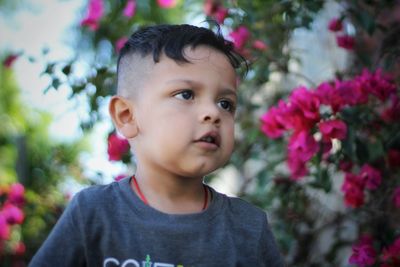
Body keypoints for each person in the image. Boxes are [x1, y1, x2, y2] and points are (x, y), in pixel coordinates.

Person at [29, 24, 283, 267]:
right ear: (127, 116)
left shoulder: (249, 226)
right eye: (186, 94)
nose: (213, 113)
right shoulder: (93, 213)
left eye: (225, 103)